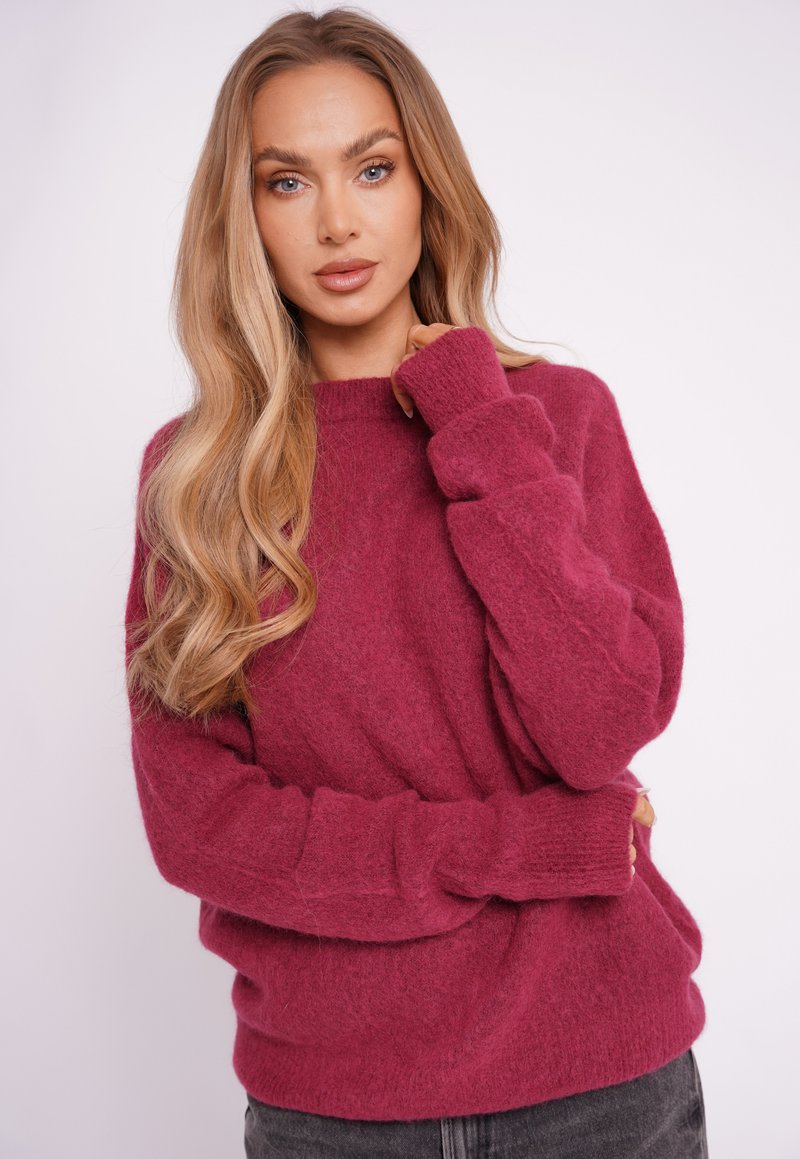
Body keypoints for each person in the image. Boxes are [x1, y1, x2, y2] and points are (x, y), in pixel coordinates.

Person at [123, 7, 709, 1157]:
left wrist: (473, 414)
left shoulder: (552, 416)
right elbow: (202, 827)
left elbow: (595, 726)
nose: (336, 221)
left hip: (601, 1084)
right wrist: (526, 847)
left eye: (372, 168)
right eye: (286, 182)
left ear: (425, 185)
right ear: (242, 216)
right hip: (331, 1106)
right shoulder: (195, 477)